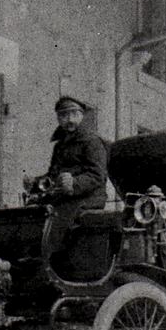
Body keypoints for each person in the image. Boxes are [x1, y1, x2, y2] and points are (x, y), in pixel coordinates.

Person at [25, 96, 108, 252]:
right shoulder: (60, 145)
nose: (69, 119)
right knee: (31, 213)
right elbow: (52, 176)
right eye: (63, 115)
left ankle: (50, 264)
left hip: (88, 198)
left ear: (82, 116)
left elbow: (98, 175)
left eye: (74, 114)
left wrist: (74, 184)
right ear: (58, 119)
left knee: (55, 220)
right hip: (64, 197)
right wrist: (35, 183)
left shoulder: (92, 142)